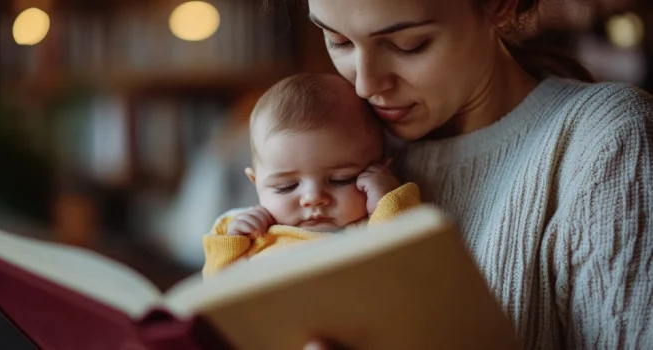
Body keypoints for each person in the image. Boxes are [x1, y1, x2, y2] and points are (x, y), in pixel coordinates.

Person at [249, 0, 652, 349]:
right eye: (338, 40)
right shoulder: (346, 151)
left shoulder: (604, 140)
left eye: (409, 44)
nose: (366, 85)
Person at [201, 73, 422, 276]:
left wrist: (387, 201)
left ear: (382, 171)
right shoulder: (247, 234)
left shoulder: (377, 225)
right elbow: (216, 295)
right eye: (286, 186)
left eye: (341, 180)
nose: (313, 197)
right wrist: (233, 244)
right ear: (255, 182)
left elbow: (412, 264)